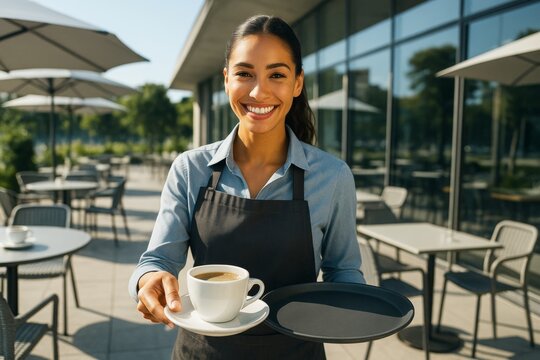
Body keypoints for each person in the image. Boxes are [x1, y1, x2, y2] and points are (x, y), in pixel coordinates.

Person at [129, 14, 364, 359]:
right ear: (226, 80)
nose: (258, 91)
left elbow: (343, 269)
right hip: (202, 353)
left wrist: (355, 305)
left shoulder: (332, 176)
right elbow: (159, 258)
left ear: (297, 84)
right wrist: (149, 280)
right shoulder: (190, 169)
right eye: (244, 74)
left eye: (277, 75)